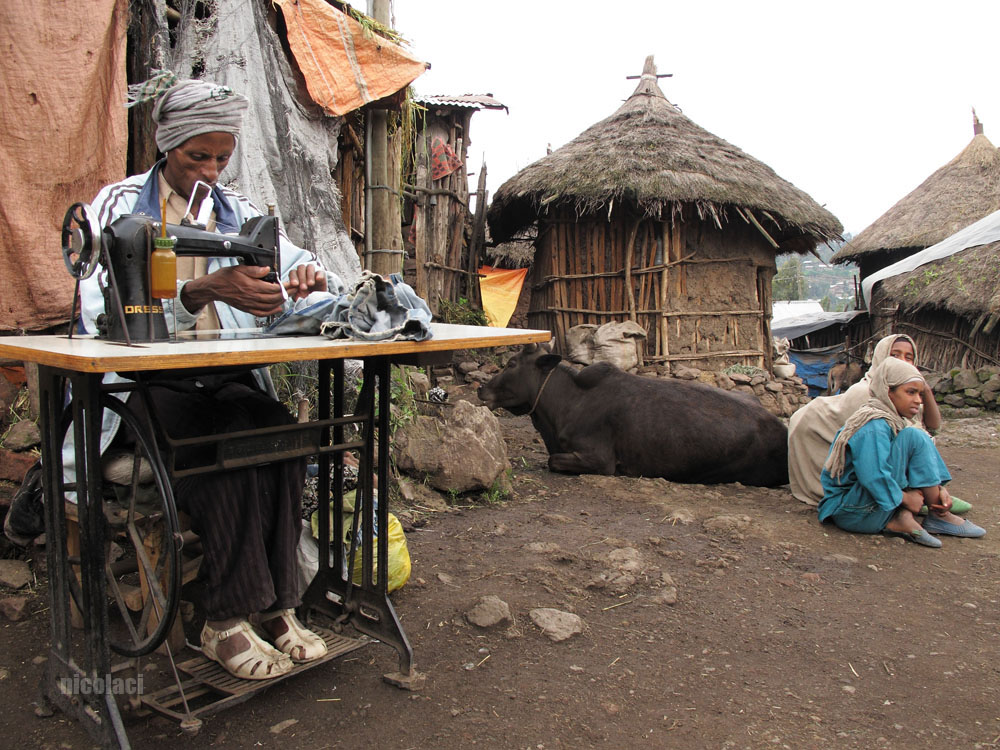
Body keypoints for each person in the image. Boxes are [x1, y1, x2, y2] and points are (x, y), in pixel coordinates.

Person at [75, 73, 340, 679]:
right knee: (227, 446)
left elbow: (295, 266)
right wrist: (197, 291)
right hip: (141, 386)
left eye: (222, 158)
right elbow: (97, 313)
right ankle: (223, 618)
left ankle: (276, 605)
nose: (211, 171)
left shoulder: (235, 210)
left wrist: (303, 282)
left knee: (281, 434)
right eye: (198, 157)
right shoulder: (118, 207)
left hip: (221, 377)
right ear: (167, 145)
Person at [787, 333, 970, 514]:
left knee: (916, 438)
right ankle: (918, 498)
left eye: (909, 357)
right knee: (912, 440)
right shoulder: (868, 395)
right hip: (862, 473)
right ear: (880, 357)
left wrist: (926, 390)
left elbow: (933, 426)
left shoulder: (904, 392)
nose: (902, 362)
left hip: (880, 463)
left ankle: (927, 493)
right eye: (894, 355)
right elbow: (889, 454)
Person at [818, 357, 986, 547]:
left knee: (914, 437)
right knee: (914, 437)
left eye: (920, 394)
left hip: (867, 504)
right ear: (888, 391)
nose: (918, 400)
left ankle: (932, 512)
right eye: (910, 392)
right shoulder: (873, 426)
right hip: (851, 512)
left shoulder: (891, 421)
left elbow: (907, 462)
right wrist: (905, 498)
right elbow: (873, 475)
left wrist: (938, 490)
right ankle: (915, 516)